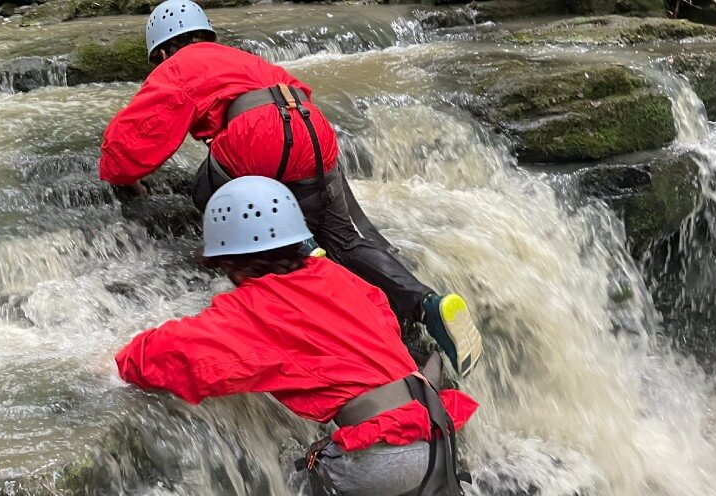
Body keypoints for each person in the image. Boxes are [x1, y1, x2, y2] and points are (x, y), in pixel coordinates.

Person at [99, 0, 482, 377]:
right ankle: (429, 304)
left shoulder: (178, 66)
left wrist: (120, 175)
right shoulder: (243, 58)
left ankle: (302, 256)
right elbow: (300, 90)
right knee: (347, 238)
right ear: (205, 32)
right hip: (313, 127)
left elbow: (133, 134)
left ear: (165, 48)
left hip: (257, 135)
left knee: (205, 188)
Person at [115, 176, 478, 496]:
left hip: (380, 460)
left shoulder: (253, 310)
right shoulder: (336, 276)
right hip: (436, 434)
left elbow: (174, 354)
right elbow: (385, 319)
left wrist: (119, 362)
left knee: (281, 479)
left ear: (231, 263)